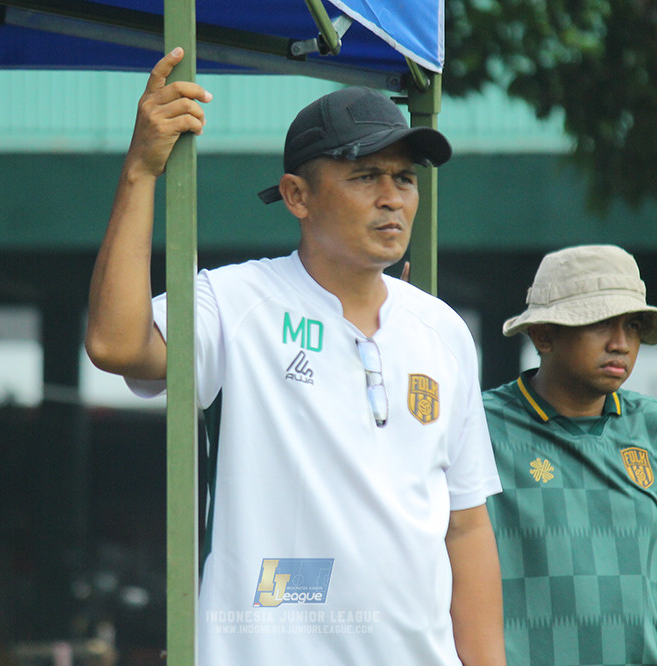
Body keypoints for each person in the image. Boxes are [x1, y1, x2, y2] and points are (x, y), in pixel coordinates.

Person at [84, 48, 506, 665]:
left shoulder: (442, 329)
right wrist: (142, 171)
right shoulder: (236, 301)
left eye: (406, 178)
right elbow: (114, 344)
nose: (393, 197)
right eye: (366, 176)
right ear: (297, 197)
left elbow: (466, 527)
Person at [483, 244, 657, 666]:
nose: (621, 343)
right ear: (544, 334)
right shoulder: (478, 425)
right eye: (599, 322)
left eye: (633, 325)